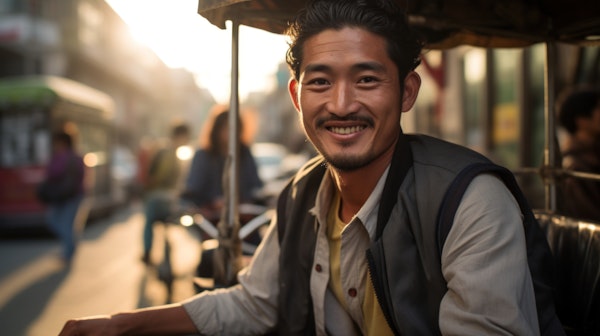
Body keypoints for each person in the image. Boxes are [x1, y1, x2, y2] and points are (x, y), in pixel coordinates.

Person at [59, 0, 561, 334]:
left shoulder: (467, 199)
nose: (342, 105)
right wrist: (121, 325)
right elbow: (255, 302)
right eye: (320, 82)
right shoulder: (304, 192)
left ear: (408, 92)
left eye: (367, 80)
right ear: (297, 95)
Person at [181, 108, 263, 222]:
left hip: (243, 219)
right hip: (210, 220)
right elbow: (193, 190)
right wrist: (213, 202)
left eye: (235, 128)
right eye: (226, 128)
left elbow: (255, 186)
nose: (230, 133)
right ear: (217, 130)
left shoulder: (245, 153)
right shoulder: (203, 155)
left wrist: (242, 201)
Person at [141, 122, 191, 264]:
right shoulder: (169, 153)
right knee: (152, 221)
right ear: (180, 136)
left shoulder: (170, 152)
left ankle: (147, 252)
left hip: (162, 196)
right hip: (161, 196)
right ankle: (148, 252)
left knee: (150, 222)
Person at [40, 130, 86, 264]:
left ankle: (69, 250)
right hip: (75, 194)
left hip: (64, 195)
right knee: (67, 224)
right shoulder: (77, 156)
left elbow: (50, 173)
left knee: (57, 222)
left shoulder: (61, 157)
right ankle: (69, 248)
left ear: (62, 143)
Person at [557, 86, 600, 222]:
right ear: (582, 120)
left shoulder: (591, 152)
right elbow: (590, 214)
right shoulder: (575, 165)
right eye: (598, 109)